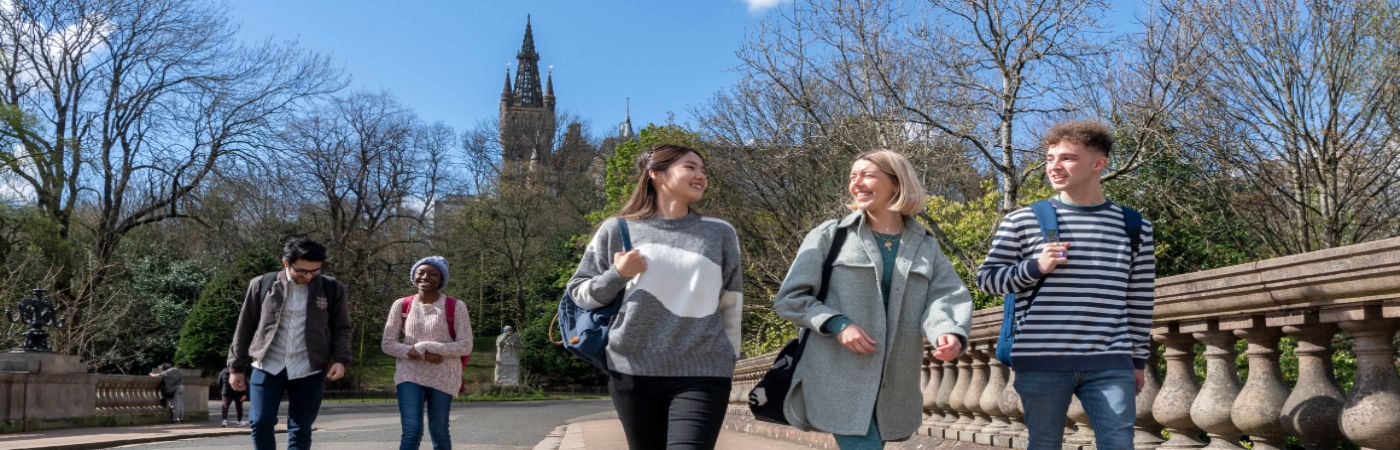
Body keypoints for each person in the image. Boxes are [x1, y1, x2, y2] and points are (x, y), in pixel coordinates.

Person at [975, 120, 1155, 450]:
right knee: (1044, 444)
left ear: (1098, 163)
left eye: (1067, 158)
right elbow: (986, 279)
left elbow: (1140, 298)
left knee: (1120, 444)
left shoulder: (1134, 226)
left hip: (1109, 359)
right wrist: (1035, 267)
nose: (1054, 167)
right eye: (1049, 158)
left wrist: (1137, 360)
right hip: (1041, 359)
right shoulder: (1023, 220)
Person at [774, 149, 972, 449]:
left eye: (867, 175)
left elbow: (946, 295)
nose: (857, 183)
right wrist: (838, 324)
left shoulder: (926, 245)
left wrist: (947, 330)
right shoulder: (830, 235)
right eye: (853, 176)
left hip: (895, 381)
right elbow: (790, 298)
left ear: (897, 183)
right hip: (838, 374)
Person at [565, 143, 743, 450]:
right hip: (633, 369)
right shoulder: (616, 229)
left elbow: (731, 301)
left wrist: (730, 358)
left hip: (704, 370)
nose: (700, 175)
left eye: (703, 170)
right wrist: (617, 274)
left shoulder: (720, 232)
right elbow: (580, 295)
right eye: (690, 167)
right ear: (656, 175)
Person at [227, 238, 352, 450]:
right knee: (260, 421)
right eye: (302, 271)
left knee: (301, 426)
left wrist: (340, 359)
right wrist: (235, 367)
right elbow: (245, 327)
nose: (309, 276)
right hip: (267, 365)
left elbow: (341, 328)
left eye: (315, 271)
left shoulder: (332, 288)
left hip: (310, 368)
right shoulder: (261, 285)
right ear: (286, 263)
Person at [382, 255, 472, 450]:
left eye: (433, 274)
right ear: (414, 276)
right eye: (420, 272)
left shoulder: (456, 306)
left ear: (441, 279)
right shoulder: (401, 305)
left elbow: (465, 345)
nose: (425, 277)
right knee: (411, 429)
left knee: (439, 430)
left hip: (444, 374)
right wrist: (420, 353)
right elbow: (388, 344)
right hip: (409, 373)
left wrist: (424, 347)